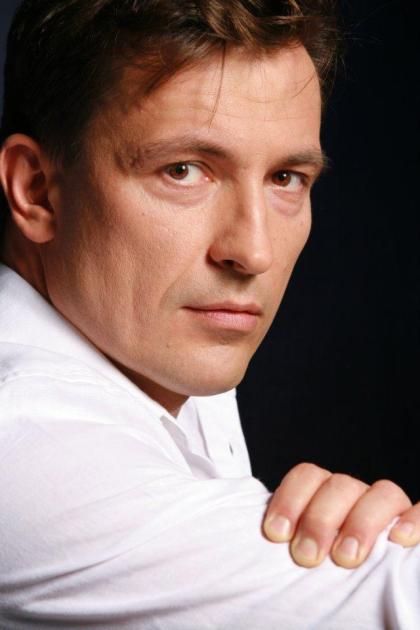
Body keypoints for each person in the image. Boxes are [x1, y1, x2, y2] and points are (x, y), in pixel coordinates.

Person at [0, 1, 419, 628]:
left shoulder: (154, 348)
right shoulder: (26, 440)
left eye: (285, 178)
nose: (252, 251)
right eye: (183, 171)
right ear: (36, 190)